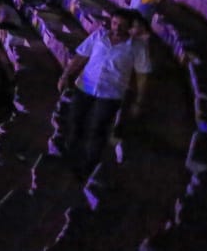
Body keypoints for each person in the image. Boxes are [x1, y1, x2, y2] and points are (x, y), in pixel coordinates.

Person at [58, 10, 151, 174]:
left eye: (122, 25)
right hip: (85, 86)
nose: (117, 28)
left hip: (111, 94)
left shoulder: (138, 47)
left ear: (130, 27)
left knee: (97, 129)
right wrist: (66, 75)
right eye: (115, 23)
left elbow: (142, 76)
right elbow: (81, 56)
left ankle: (88, 166)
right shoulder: (99, 36)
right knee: (75, 121)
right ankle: (70, 156)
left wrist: (139, 101)